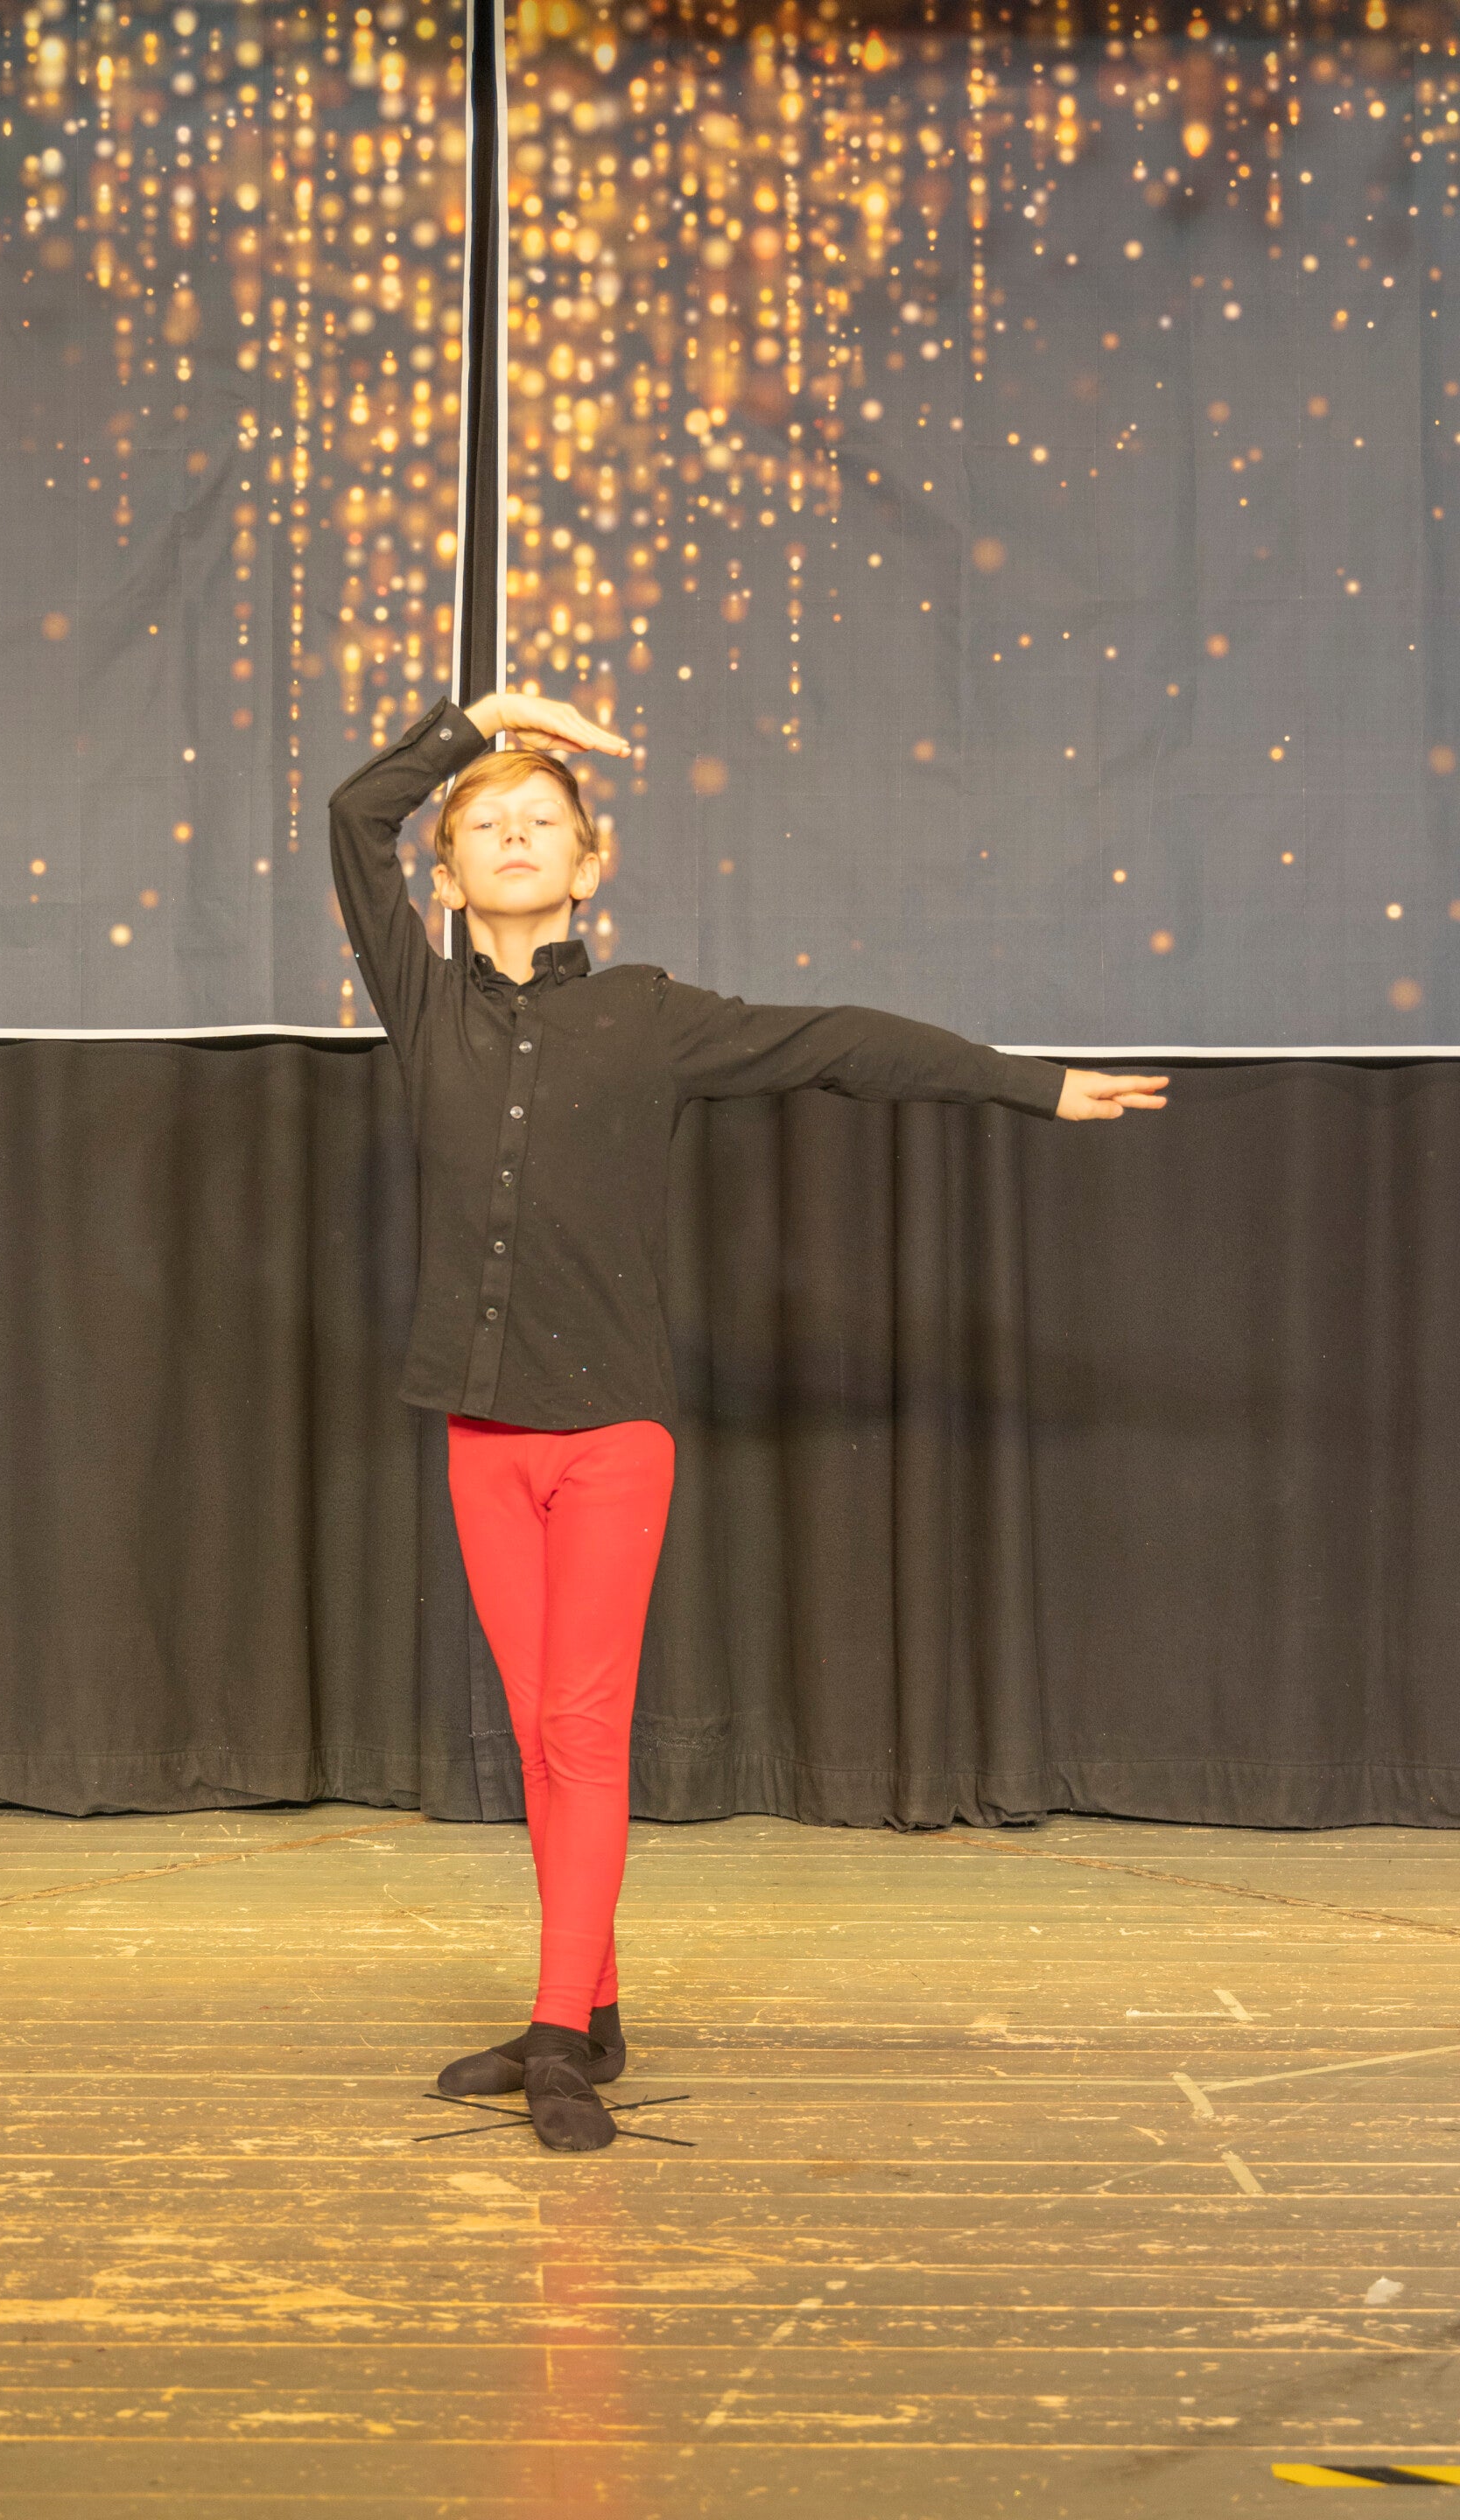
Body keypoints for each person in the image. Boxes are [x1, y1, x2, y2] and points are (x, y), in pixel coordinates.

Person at [327, 690, 1168, 2153]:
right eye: (483, 826)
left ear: (590, 864)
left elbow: (840, 1042)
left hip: (612, 1440)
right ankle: (590, 2012)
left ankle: (557, 2035)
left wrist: (1027, 1087)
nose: (513, 834)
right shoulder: (428, 1003)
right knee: (535, 1737)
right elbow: (354, 817)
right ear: (445, 880)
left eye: (542, 820)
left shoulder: (650, 1019)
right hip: (480, 1437)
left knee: (581, 1731)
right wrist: (477, 724)